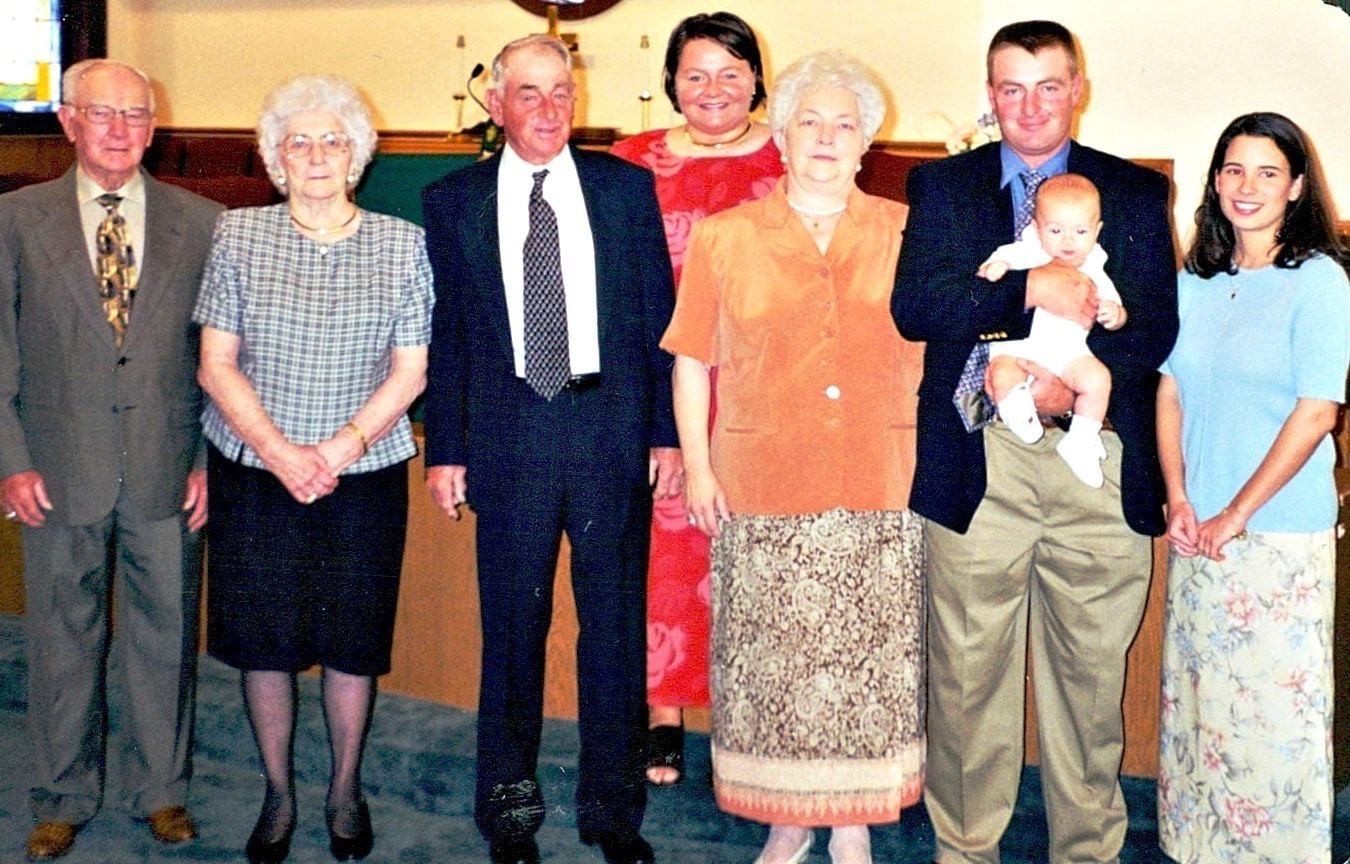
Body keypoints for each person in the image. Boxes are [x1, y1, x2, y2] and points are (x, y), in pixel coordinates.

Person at [891, 20, 1177, 864]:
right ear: (990, 95)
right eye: (1011, 88)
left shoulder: (1132, 192)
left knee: (1090, 676)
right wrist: (1028, 293)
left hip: (1095, 457)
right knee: (968, 673)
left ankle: (1086, 849)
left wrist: (1071, 384)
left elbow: (1155, 327)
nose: (1030, 106)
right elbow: (917, 307)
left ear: (1076, 89)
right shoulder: (943, 185)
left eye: (1049, 86)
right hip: (981, 455)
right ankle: (965, 848)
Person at [421, 35, 678, 864]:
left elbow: (658, 317)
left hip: (609, 430)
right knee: (512, 631)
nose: (548, 109)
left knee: (613, 631)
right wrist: (445, 449)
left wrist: (667, 433)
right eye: (528, 93)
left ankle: (613, 812)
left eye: (561, 91)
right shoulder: (452, 199)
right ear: (496, 105)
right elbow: (450, 333)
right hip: (509, 437)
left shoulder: (623, 189)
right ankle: (508, 812)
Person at [665, 51, 924, 864]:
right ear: (780, 136)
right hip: (761, 477)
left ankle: (851, 823)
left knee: (866, 660)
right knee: (770, 662)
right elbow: (690, 361)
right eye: (808, 121)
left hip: (879, 475)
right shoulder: (725, 237)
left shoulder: (905, 231)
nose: (825, 137)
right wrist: (699, 467)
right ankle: (786, 821)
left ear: (865, 142)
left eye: (844, 124)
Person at [194, 74, 433, 864]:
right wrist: (280, 452)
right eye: (300, 141)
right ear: (277, 157)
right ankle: (278, 791)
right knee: (264, 642)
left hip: (362, 476)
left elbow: (411, 369)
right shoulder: (238, 234)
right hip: (255, 472)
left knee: (351, 641)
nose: (319, 154)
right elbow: (216, 362)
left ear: (358, 154)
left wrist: (335, 451)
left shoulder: (401, 243)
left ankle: (343, 788)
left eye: (334, 140)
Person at [0, 59, 221, 861]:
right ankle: (61, 796)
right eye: (102, 113)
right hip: (56, 468)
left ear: (154, 128)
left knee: (166, 638)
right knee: (62, 642)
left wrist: (207, 457)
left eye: (135, 114)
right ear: (68, 121)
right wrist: (10, 459)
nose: (120, 129)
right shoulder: (14, 218)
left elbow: (220, 356)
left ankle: (161, 791)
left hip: (169, 465)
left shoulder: (204, 221)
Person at [1155, 112, 1350, 864]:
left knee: (1271, 720)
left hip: (1275, 536)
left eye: (1268, 172)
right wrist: (1180, 499)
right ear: (1215, 181)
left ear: (1296, 187)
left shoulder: (1320, 281)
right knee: (1202, 711)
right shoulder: (1196, 282)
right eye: (1234, 169)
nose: (1247, 186)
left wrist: (1237, 513)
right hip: (1196, 529)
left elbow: (1317, 411)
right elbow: (1169, 391)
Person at [610, 10, 782, 787]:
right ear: (672, 84)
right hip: (659, 382)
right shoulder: (629, 162)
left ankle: (753, 712)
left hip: (762, 388)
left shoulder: (792, 154)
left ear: (756, 79)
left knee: (757, 550)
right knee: (666, 551)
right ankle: (663, 713)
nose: (713, 89)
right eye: (695, 75)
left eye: (730, 73)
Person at [979, 173, 1127, 486]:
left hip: (1068, 353)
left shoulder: (1093, 266)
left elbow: (1114, 305)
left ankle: (1081, 441)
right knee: (1003, 373)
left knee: (1098, 379)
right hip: (1018, 349)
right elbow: (990, 275)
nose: (1068, 241)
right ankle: (1016, 411)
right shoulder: (1023, 252)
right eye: (1056, 230)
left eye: (1080, 231)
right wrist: (996, 269)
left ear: (1097, 231)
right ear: (1036, 228)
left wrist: (1114, 314)